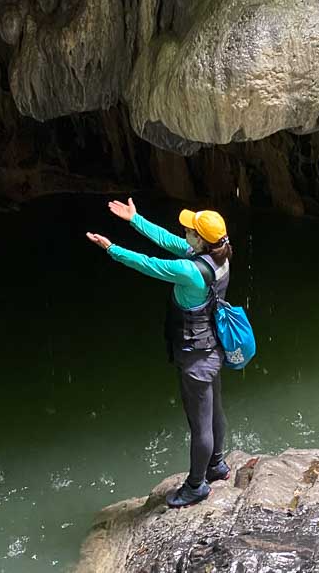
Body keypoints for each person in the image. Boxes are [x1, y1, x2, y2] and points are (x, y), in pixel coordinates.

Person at [86, 198, 234, 508]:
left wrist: (111, 249)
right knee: (214, 408)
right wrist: (135, 219)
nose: (185, 232)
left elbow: (149, 264)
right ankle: (217, 465)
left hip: (195, 355)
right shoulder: (218, 256)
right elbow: (168, 241)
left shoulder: (190, 271)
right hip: (213, 347)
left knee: (200, 423)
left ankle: (197, 486)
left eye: (191, 230)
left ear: (201, 240)